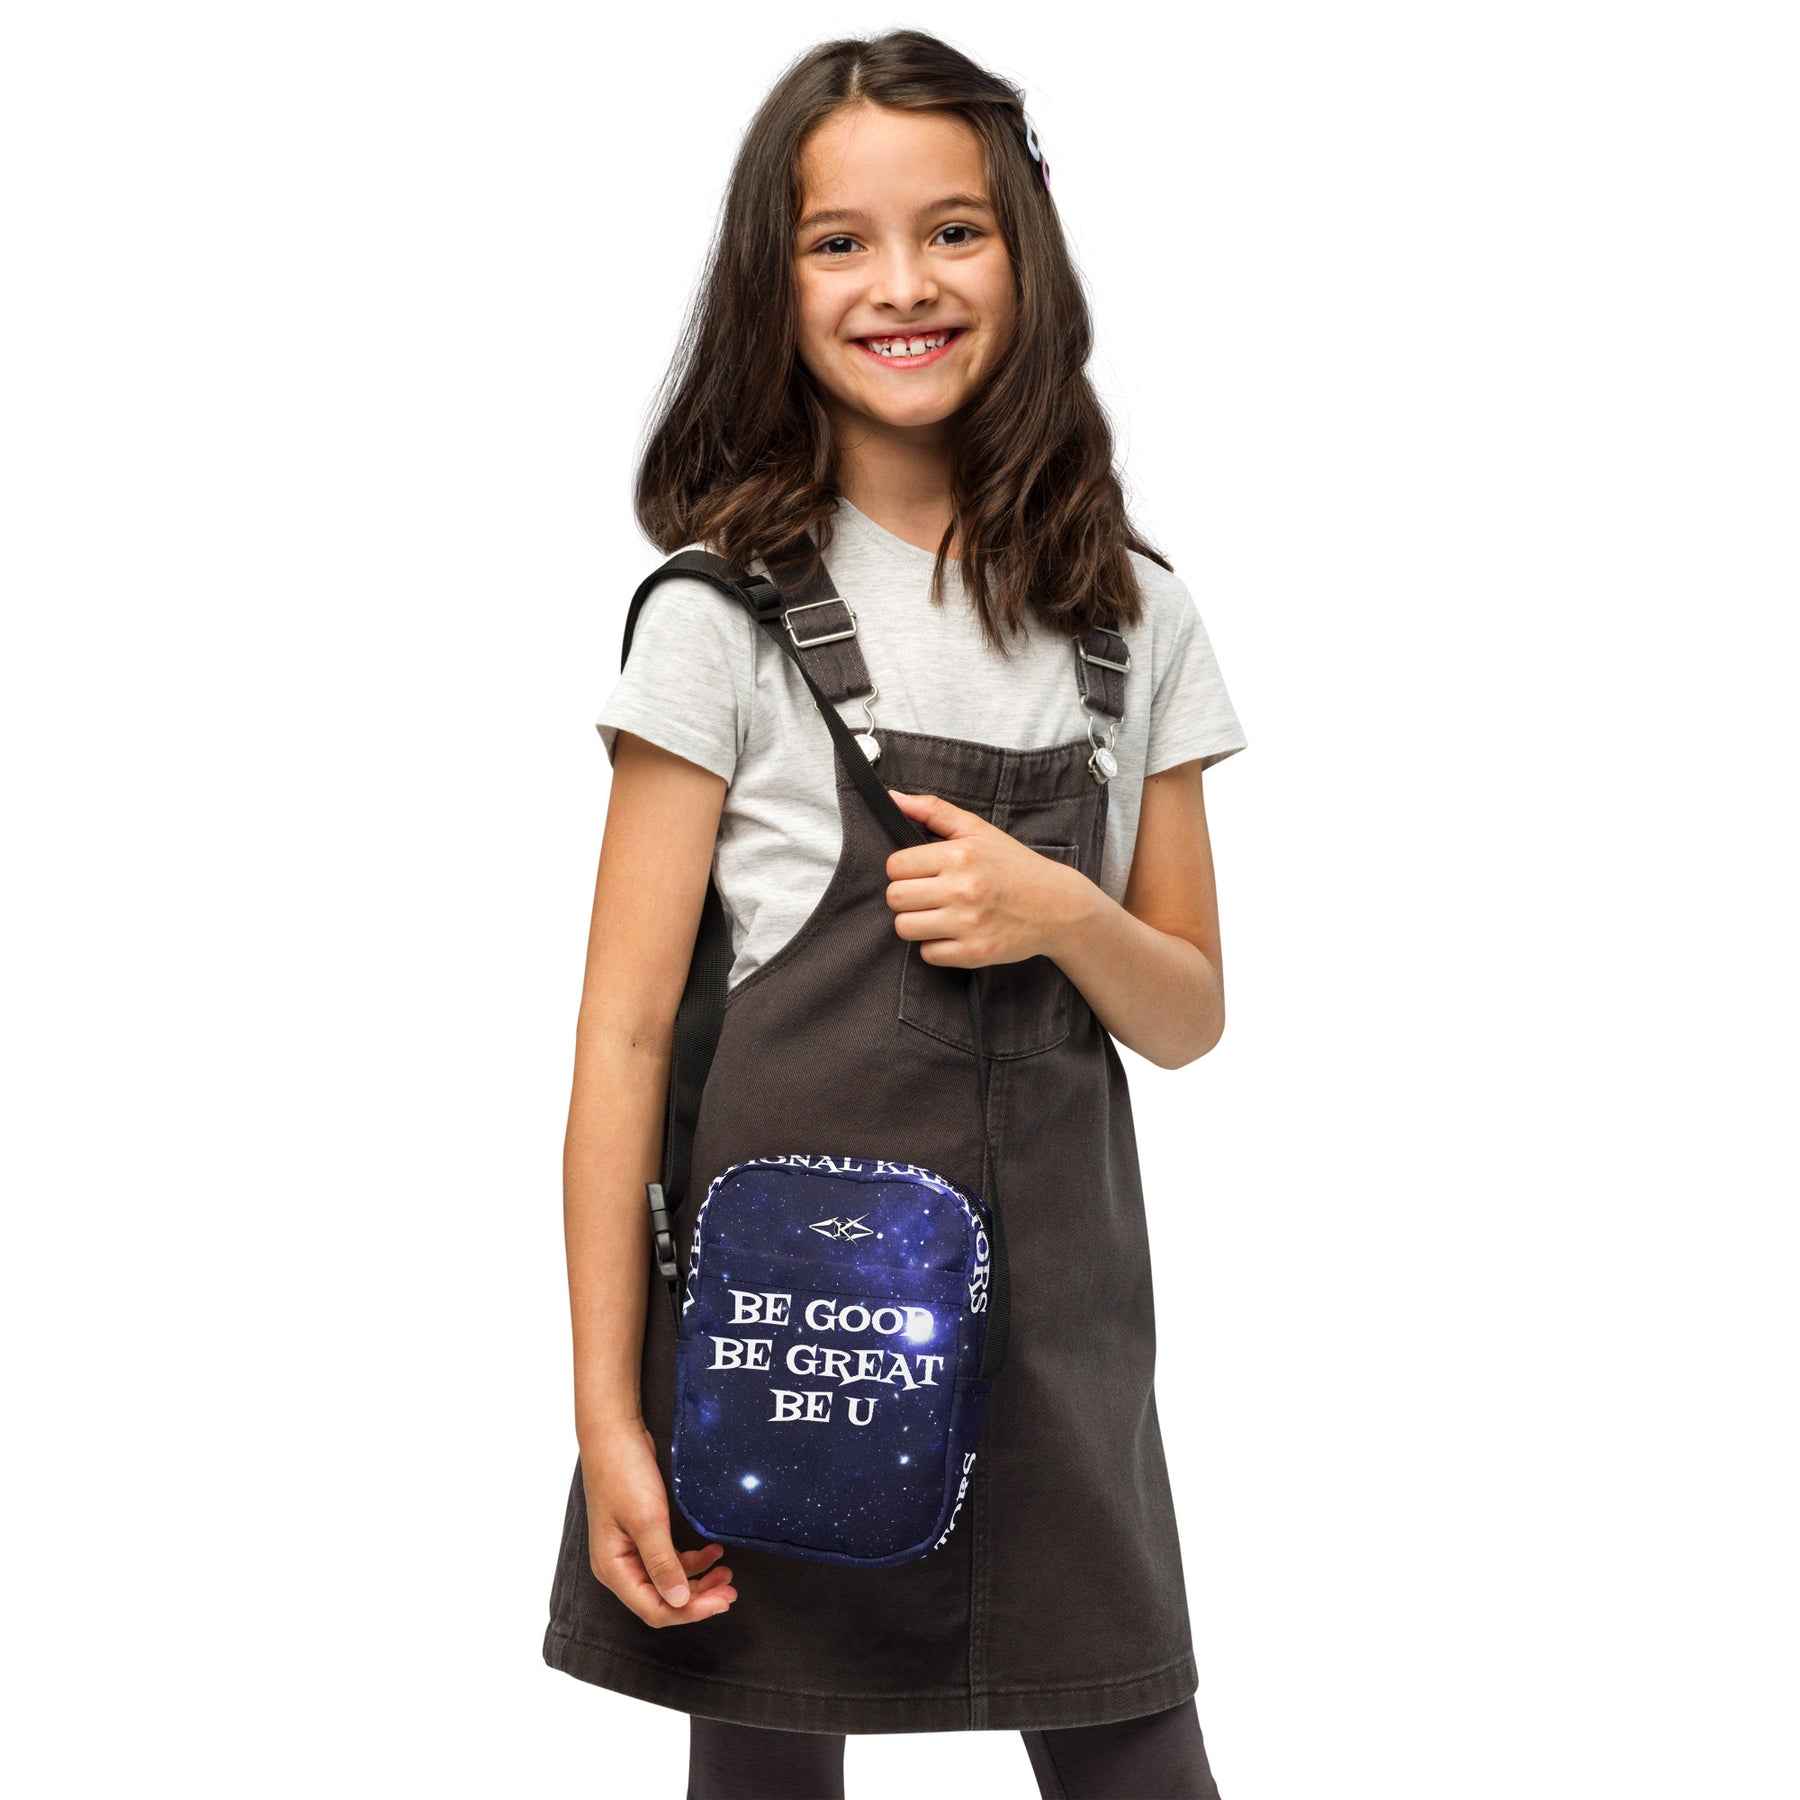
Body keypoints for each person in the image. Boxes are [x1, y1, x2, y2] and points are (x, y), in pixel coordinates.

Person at [543, 29, 1246, 1800]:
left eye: (954, 231)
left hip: (1060, 1353)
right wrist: (610, 1413)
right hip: (794, 1340)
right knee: (766, 1765)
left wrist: (1059, 911)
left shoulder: (1134, 615)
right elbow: (622, 1037)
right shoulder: (715, 618)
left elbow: (1187, 1014)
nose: (903, 284)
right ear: (770, 285)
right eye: (839, 242)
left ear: (1025, 251)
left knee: (1137, 1751)